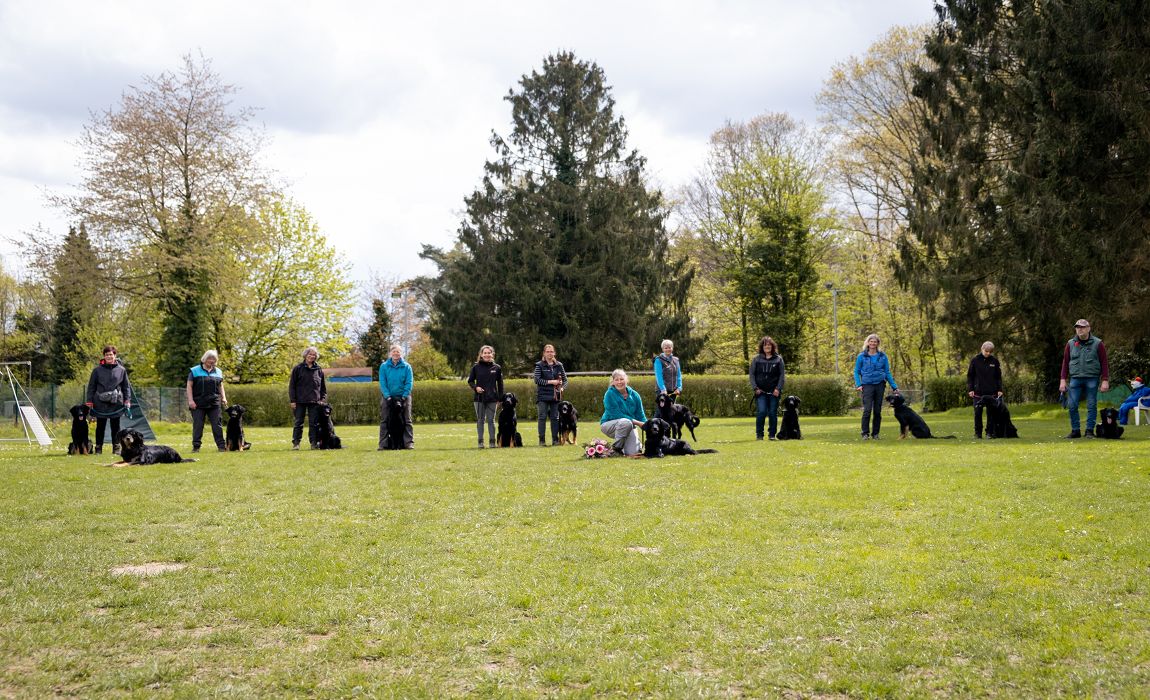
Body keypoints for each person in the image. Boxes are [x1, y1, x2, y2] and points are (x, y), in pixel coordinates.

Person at [1059, 319, 1110, 438]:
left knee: (1091, 405)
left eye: (1082, 327)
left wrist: (1105, 380)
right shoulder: (1070, 344)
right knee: (1072, 405)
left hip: (1092, 379)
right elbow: (1065, 363)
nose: (1080, 329)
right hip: (1075, 379)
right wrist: (1062, 380)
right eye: (1077, 327)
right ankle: (1075, 431)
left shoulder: (1098, 343)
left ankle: (1089, 431)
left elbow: (1104, 363)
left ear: (1088, 328)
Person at [85, 345, 133, 455]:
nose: (109, 356)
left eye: (111, 354)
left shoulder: (122, 370)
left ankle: (116, 449)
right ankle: (98, 448)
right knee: (100, 427)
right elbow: (91, 386)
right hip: (100, 403)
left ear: (115, 355)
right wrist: (89, 401)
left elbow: (126, 387)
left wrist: (127, 400)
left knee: (116, 427)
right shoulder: (97, 371)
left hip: (116, 403)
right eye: (107, 355)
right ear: (104, 356)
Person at [853, 333, 899, 440]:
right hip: (867, 385)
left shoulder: (883, 356)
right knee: (867, 410)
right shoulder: (861, 356)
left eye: (875, 341)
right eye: (871, 341)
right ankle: (865, 433)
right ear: (868, 343)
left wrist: (894, 386)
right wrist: (858, 384)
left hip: (880, 385)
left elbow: (887, 372)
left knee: (877, 411)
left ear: (878, 343)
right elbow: (856, 372)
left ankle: (875, 434)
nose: (873, 343)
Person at [186, 349, 228, 453]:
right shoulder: (194, 371)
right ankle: (196, 447)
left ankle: (221, 447)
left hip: (214, 403)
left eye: (214, 359)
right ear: (204, 359)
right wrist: (190, 401)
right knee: (198, 425)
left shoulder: (218, 371)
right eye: (210, 358)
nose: (212, 360)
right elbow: (189, 386)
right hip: (198, 403)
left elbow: (220, 385)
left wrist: (224, 397)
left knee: (217, 425)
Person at [600, 368, 647, 456]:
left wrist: (648, 426)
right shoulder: (609, 394)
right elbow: (616, 415)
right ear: (613, 382)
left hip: (629, 425)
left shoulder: (635, 395)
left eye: (622, 379)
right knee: (626, 422)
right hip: (609, 425)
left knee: (633, 453)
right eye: (616, 380)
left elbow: (640, 415)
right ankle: (616, 450)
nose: (619, 382)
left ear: (626, 380)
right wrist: (638, 423)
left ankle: (634, 445)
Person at [288, 346, 327, 450]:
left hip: (315, 401)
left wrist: (322, 399)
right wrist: (293, 400)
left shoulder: (319, 369)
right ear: (305, 355)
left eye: (314, 355)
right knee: (298, 423)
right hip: (299, 401)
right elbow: (292, 386)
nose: (312, 356)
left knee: (314, 424)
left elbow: (323, 387)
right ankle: (296, 443)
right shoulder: (298, 368)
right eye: (310, 354)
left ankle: (313, 443)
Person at [749, 336, 786, 441]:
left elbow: (782, 376)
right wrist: (755, 388)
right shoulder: (756, 359)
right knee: (761, 412)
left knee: (772, 413)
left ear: (772, 346)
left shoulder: (779, 359)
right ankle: (759, 434)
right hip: (760, 392)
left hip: (774, 392)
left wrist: (778, 389)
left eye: (769, 344)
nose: (767, 346)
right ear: (762, 346)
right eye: (765, 345)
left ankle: (772, 435)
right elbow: (751, 375)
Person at [378, 344, 414, 449]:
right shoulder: (384, 366)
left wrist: (404, 396)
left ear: (401, 354)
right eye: (394, 351)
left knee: (407, 420)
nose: (396, 353)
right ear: (390, 353)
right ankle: (383, 444)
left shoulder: (407, 366)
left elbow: (409, 382)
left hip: (404, 397)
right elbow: (383, 382)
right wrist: (387, 396)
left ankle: (408, 443)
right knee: (385, 420)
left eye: (398, 352)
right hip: (388, 397)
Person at [467, 345, 503, 449]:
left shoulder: (497, 368)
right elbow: (470, 381)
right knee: (480, 420)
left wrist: (500, 399)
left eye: (489, 353)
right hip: (479, 399)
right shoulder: (476, 367)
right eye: (485, 353)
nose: (487, 355)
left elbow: (500, 384)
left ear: (492, 354)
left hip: (492, 399)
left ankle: (492, 442)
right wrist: (476, 388)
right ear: (481, 355)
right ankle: (480, 442)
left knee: (491, 420)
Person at [966, 341, 1003, 439]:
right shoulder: (975, 360)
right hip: (978, 393)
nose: (988, 353)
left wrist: (999, 389)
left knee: (990, 414)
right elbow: (970, 376)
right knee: (977, 413)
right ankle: (978, 433)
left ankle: (989, 433)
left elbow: (998, 377)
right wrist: (970, 389)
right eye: (986, 351)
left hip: (992, 392)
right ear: (982, 349)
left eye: (990, 352)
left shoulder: (994, 361)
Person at [532, 344, 568, 446]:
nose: (549, 353)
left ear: (554, 353)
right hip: (542, 395)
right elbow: (537, 380)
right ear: (544, 353)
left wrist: (561, 388)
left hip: (555, 396)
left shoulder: (559, 365)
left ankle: (555, 440)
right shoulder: (539, 365)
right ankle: (542, 440)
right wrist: (551, 382)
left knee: (555, 418)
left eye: (551, 351)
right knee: (542, 417)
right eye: (547, 351)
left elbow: (565, 381)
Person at [653, 339, 682, 403]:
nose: (668, 349)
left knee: (672, 411)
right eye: (666, 348)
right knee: (661, 412)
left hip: (673, 391)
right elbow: (658, 376)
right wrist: (663, 389)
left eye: (669, 347)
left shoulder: (676, 360)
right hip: (662, 391)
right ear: (662, 349)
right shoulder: (658, 360)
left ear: (672, 348)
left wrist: (679, 388)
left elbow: (678, 375)